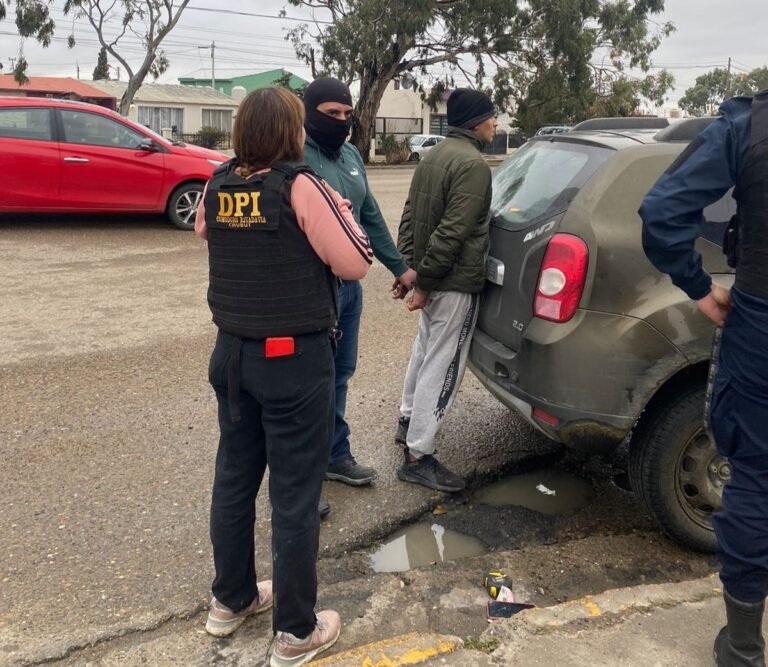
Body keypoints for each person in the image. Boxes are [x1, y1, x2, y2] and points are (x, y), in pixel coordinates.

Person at [194, 86, 372, 666]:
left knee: (235, 478)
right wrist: (341, 211)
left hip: (233, 355)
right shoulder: (301, 186)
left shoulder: (218, 184)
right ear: (292, 133)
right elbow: (355, 262)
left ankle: (231, 599)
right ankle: (296, 632)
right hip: (293, 361)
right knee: (295, 494)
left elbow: (205, 233)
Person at [640, 91, 768, 667]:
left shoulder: (749, 126)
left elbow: (662, 214)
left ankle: (742, 645)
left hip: (762, 318)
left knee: (757, 478)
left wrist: (699, 287)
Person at [301, 77, 417, 513]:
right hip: (312, 290)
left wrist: (401, 268)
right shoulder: (293, 157)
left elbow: (369, 218)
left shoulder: (350, 155)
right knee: (309, 382)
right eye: (332, 114)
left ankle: (335, 455)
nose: (342, 122)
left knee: (340, 373)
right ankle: (302, 478)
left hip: (349, 290)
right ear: (310, 112)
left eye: (347, 114)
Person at [394, 88, 497, 493]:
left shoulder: (434, 154)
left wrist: (411, 272)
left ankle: (407, 421)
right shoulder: (473, 165)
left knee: (424, 350)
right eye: (490, 116)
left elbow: (409, 214)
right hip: (452, 281)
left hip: (432, 275)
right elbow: (453, 232)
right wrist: (425, 283)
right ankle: (418, 456)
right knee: (444, 363)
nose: (495, 123)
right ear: (475, 121)